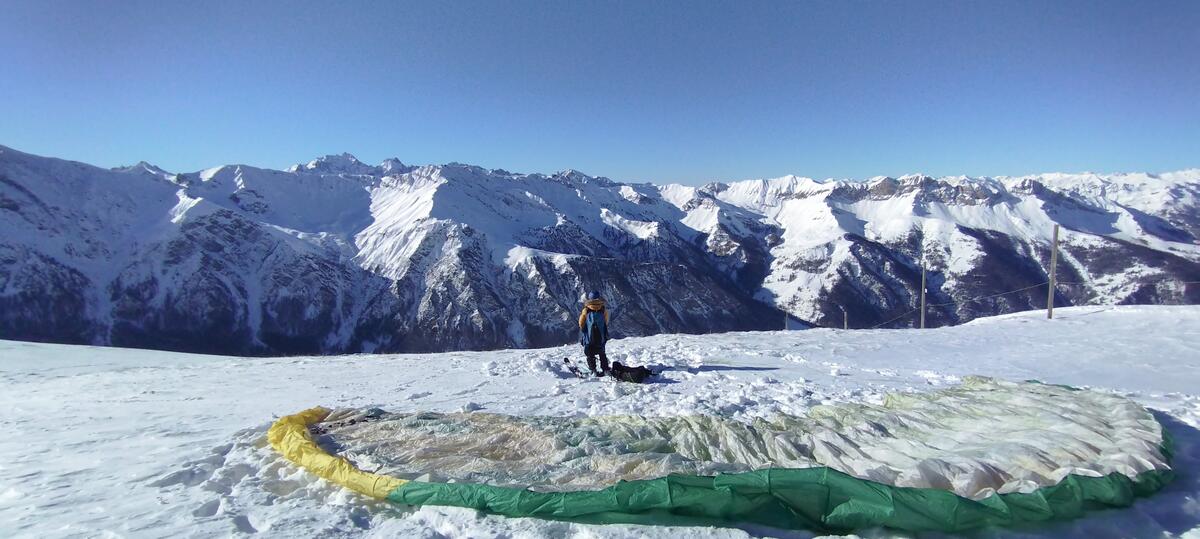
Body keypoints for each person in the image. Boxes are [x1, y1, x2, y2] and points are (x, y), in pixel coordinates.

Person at [578, 290, 610, 376]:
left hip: (589, 337)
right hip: (601, 336)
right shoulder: (603, 309)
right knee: (602, 353)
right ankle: (605, 369)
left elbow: (581, 323)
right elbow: (606, 322)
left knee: (590, 354)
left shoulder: (586, 310)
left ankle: (593, 370)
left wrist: (585, 330)